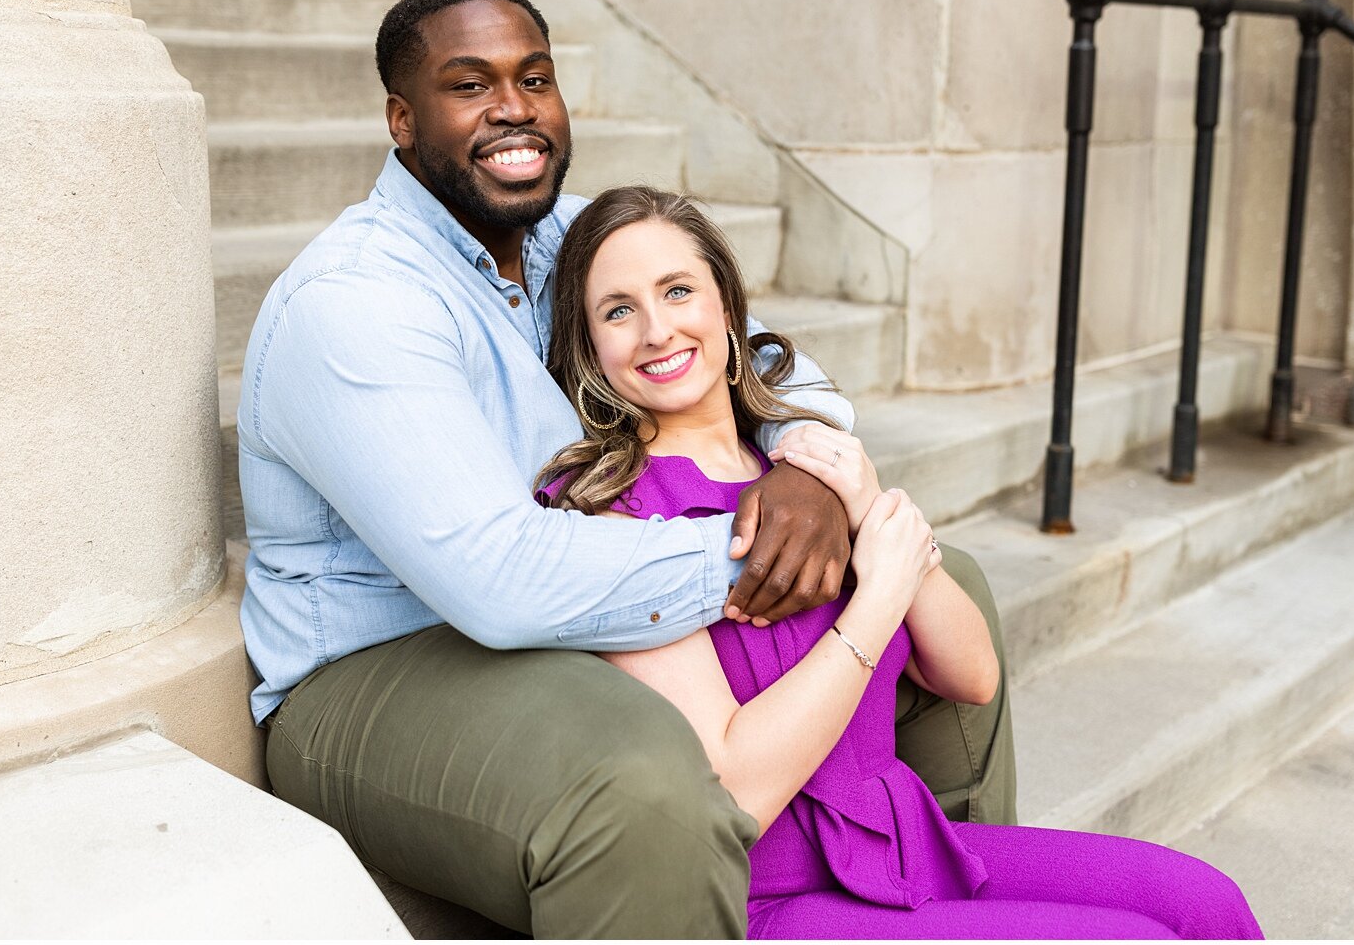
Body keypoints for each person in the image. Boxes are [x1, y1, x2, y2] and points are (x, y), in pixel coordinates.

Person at [239, 0, 1014, 937]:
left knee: (949, 584)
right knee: (642, 779)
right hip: (381, 664)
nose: (513, 110)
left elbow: (765, 358)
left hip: (572, 595)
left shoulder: (574, 237)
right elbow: (498, 582)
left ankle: (948, 900)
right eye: (470, 86)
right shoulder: (356, 302)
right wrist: (766, 554)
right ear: (402, 120)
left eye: (535, 77)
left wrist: (813, 475)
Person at [536, 185, 1265, 940]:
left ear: (727, 310)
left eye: (678, 290)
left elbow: (971, 675)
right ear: (591, 348)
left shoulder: (804, 465)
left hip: (904, 849)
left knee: (1202, 903)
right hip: (769, 898)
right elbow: (738, 794)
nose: (657, 330)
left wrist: (872, 506)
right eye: (618, 310)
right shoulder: (611, 515)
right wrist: (877, 598)